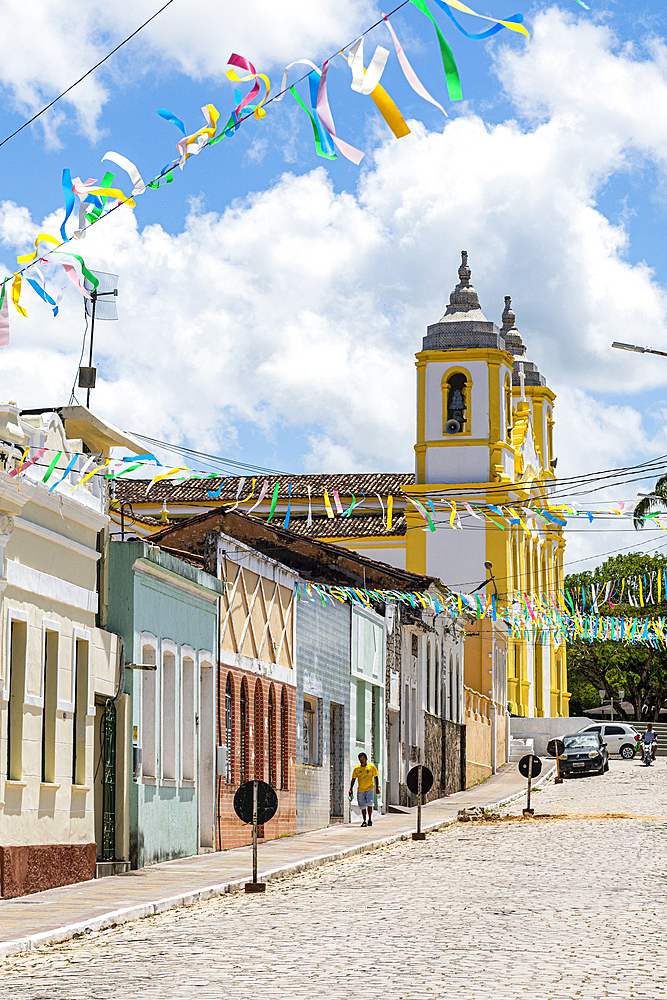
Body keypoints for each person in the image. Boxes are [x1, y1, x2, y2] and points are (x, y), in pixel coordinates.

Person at [349, 752, 379, 827]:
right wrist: (351, 789)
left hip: (370, 789)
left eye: (363, 759)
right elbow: (353, 779)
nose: (362, 761)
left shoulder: (371, 767)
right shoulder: (357, 768)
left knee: (370, 804)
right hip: (360, 790)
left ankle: (370, 819)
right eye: (360, 759)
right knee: (362, 806)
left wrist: (377, 788)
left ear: (366, 759)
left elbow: (376, 777)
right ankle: (364, 820)